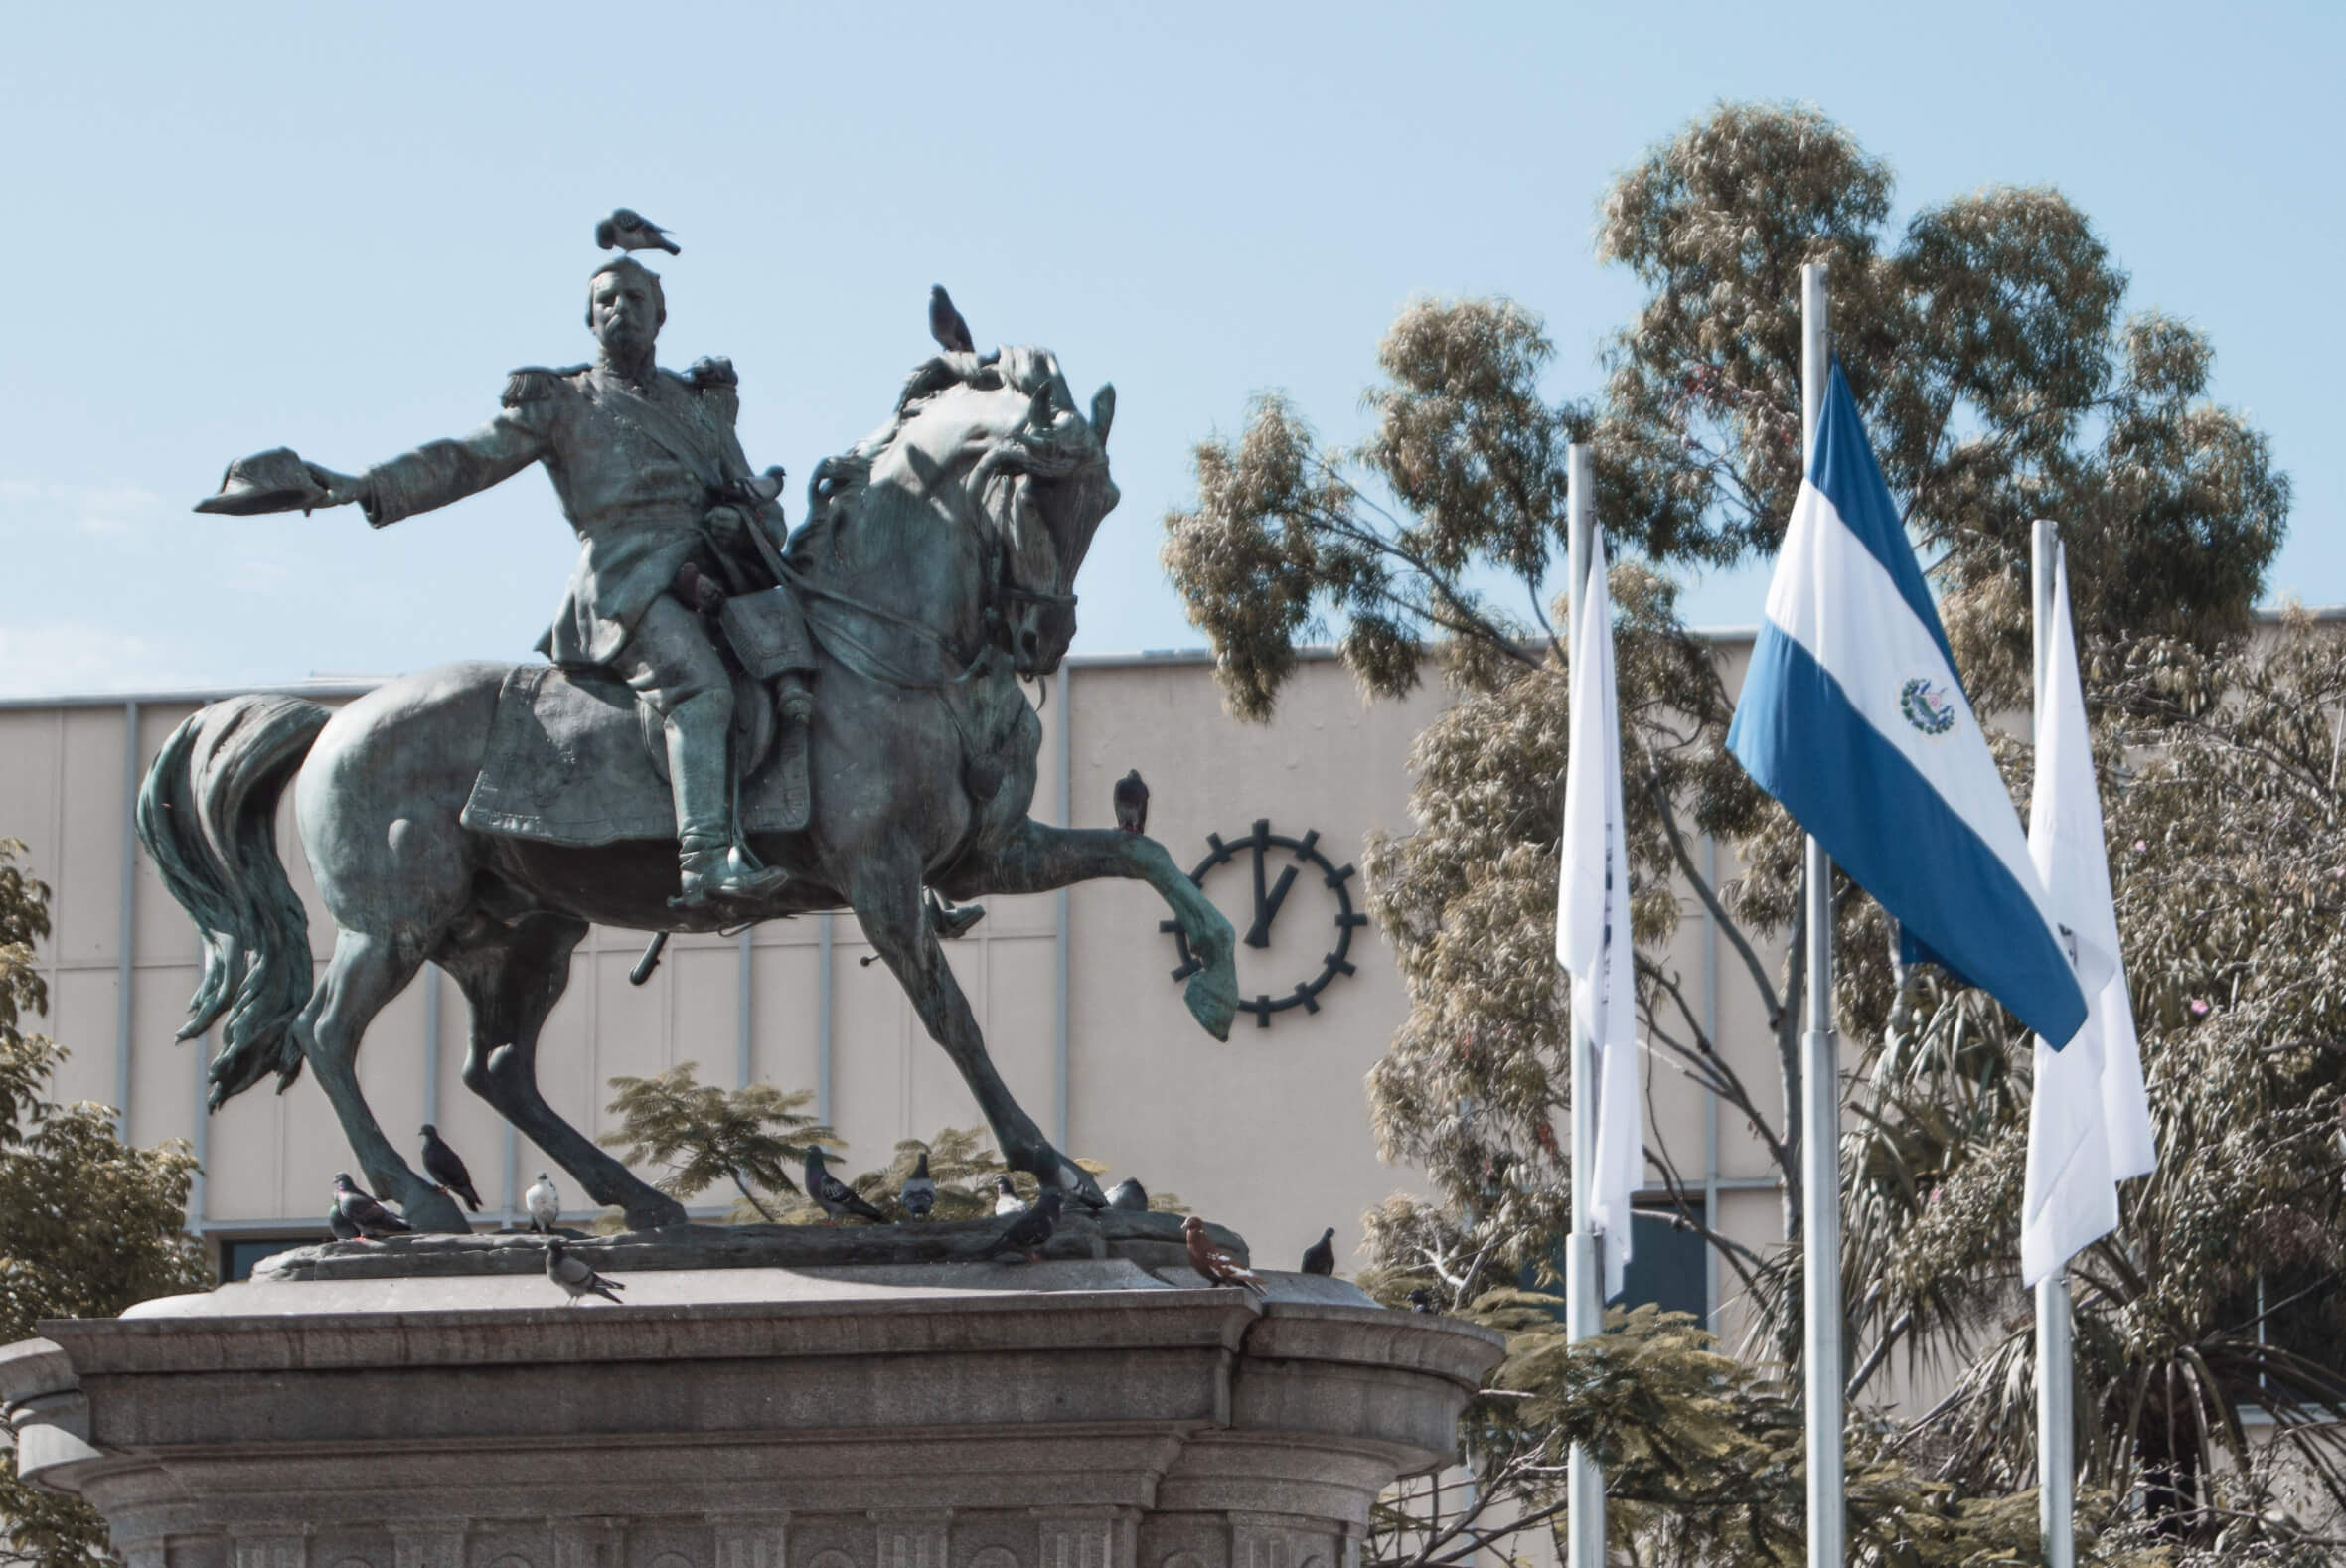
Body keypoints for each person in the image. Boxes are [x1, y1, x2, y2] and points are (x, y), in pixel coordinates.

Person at [301, 257, 798, 905]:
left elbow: (758, 502)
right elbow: (468, 458)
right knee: (700, 692)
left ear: (660, 315)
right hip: (628, 585)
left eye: (635, 298)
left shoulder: (697, 409)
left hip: (715, 577)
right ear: (590, 318)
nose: (621, 308)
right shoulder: (563, 402)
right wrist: (369, 486)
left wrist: (747, 521)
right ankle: (704, 858)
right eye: (607, 299)